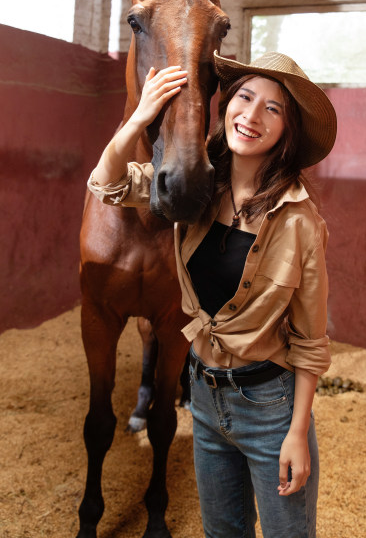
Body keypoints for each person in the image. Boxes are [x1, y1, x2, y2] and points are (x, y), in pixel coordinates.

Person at [87, 50, 337, 538]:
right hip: (203, 399)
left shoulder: (301, 223)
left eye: (273, 108)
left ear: (288, 130)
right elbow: (109, 184)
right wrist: (140, 115)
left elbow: (311, 341)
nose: (251, 115)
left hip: (269, 407)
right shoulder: (196, 187)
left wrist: (297, 435)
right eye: (244, 97)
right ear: (226, 105)